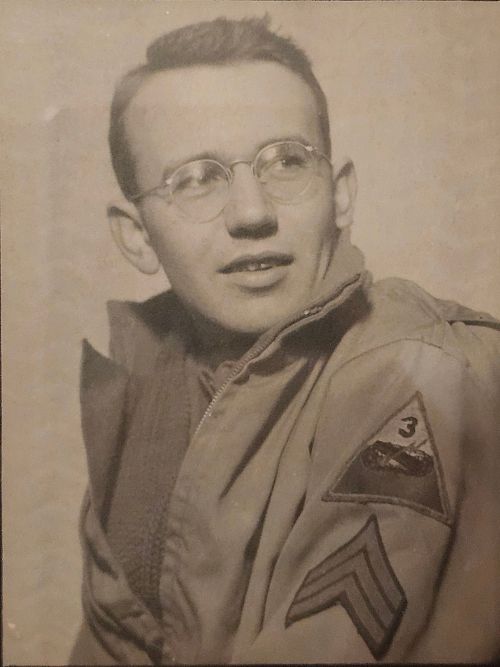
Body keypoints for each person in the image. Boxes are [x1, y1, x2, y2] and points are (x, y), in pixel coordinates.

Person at [70, 16, 500, 665]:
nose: (252, 213)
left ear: (341, 194)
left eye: (287, 162)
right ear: (136, 235)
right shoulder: (144, 394)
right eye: (195, 179)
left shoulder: (413, 367)